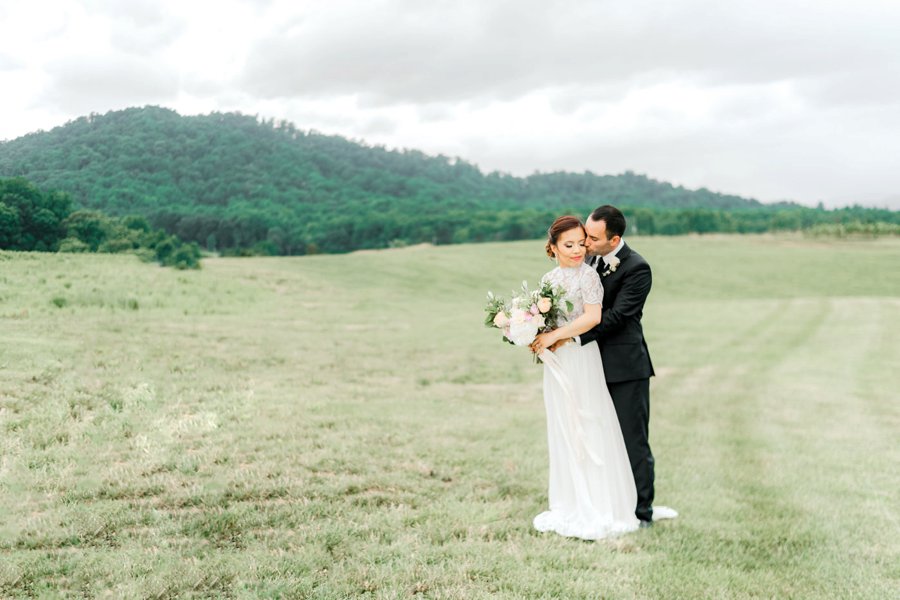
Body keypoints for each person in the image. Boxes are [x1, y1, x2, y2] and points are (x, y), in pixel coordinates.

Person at [528, 215, 640, 540]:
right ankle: (568, 502)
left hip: (581, 358)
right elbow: (544, 320)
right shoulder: (548, 279)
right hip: (558, 359)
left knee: (587, 421)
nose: (578, 250)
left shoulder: (589, 277)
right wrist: (533, 334)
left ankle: (600, 505)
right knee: (562, 424)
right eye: (569, 244)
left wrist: (554, 337)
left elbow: (592, 319)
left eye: (581, 243)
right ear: (553, 247)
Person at [575, 204, 675, 527]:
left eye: (592, 237)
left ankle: (642, 513)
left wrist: (573, 336)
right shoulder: (589, 259)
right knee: (599, 437)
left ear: (614, 238)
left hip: (626, 367)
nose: (585, 242)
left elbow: (618, 317)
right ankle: (610, 504)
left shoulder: (637, 268)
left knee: (633, 441)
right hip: (591, 364)